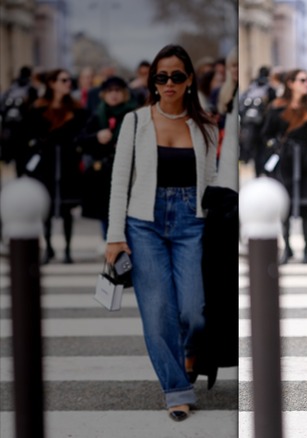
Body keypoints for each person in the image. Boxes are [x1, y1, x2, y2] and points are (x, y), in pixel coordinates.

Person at [104, 44, 218, 421]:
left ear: (189, 81)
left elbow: (212, 179)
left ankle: (188, 351)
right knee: (157, 312)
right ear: (153, 81)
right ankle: (176, 389)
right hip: (144, 224)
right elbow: (120, 182)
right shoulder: (135, 121)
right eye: (161, 76)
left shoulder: (204, 125)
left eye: (177, 76)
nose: (168, 83)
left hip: (191, 222)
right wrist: (114, 237)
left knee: (193, 310)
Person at [20, 68, 87, 264]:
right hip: (46, 162)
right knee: (46, 207)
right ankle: (48, 247)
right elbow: (27, 135)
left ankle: (67, 249)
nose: (68, 84)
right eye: (63, 80)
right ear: (52, 83)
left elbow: (82, 132)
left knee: (66, 208)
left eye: (69, 80)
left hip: (68, 162)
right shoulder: (38, 108)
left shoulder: (76, 109)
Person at [261, 69, 307, 264]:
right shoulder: (277, 107)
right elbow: (266, 133)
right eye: (302, 80)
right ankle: (287, 248)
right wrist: (275, 148)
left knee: (305, 206)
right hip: (285, 161)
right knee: (284, 206)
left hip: (306, 160)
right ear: (290, 83)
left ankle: (306, 250)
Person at [76, 76, 137, 239]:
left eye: (117, 90)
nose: (114, 94)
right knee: (106, 213)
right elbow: (80, 139)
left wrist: (126, 145)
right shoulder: (98, 113)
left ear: (124, 93)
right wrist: (97, 136)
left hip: (129, 172)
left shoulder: (134, 114)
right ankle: (109, 245)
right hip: (103, 172)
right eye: (110, 91)